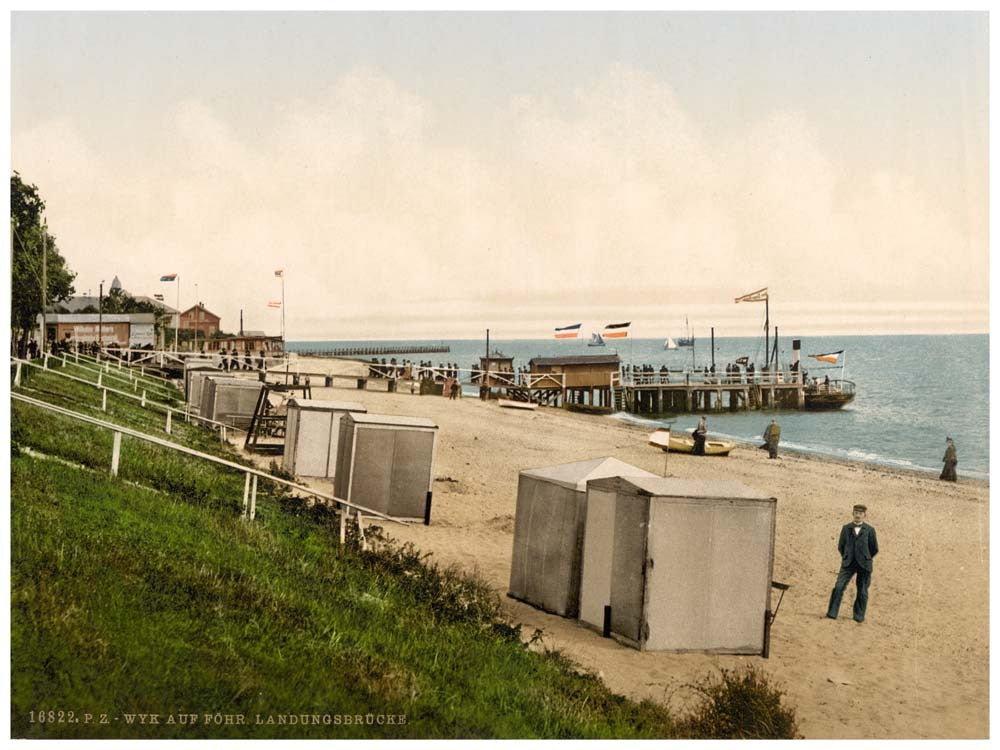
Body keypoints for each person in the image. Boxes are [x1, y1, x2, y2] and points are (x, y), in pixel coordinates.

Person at [827, 504, 878, 623]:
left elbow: (874, 548)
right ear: (852, 514)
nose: (857, 515)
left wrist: (865, 557)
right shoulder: (846, 528)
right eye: (855, 513)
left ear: (864, 515)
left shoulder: (870, 530)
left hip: (864, 564)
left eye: (860, 513)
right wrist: (847, 556)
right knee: (839, 586)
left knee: (863, 590)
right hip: (848, 563)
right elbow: (841, 546)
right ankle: (832, 612)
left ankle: (859, 616)